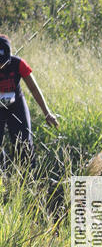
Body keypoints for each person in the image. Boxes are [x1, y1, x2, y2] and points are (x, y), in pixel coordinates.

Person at [0, 34, 58, 169]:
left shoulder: (18, 64)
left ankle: (28, 179)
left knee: (24, 142)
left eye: (2, 62)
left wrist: (47, 113)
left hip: (16, 105)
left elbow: (34, 88)